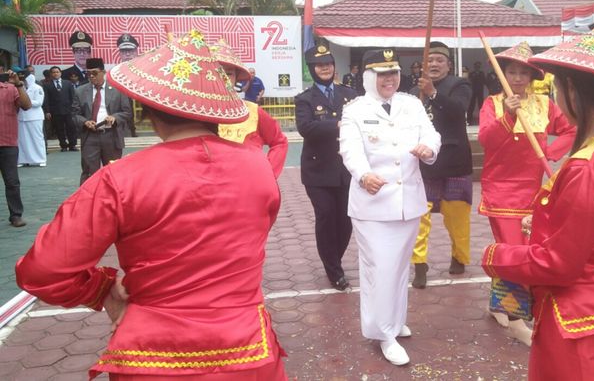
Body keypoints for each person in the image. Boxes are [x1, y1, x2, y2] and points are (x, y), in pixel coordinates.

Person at [16, 30, 287, 380]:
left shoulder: (119, 179)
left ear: (147, 110)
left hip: (153, 356)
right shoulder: (259, 170)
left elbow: (42, 271)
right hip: (248, 351)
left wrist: (103, 290)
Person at [481, 24, 594, 380]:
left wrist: (496, 256)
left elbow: (558, 264)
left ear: (573, 91)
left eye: (556, 86)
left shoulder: (588, 167)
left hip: (583, 326)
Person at [339, 49, 440, 366]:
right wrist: (363, 173)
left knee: (397, 269)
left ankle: (394, 322)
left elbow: (432, 134)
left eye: (393, 73)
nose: (389, 79)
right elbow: (350, 149)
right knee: (379, 270)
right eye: (382, 74)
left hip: (407, 203)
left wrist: (429, 148)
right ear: (369, 77)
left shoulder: (411, 104)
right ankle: (382, 333)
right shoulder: (356, 110)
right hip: (373, 205)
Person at [477, 41, 575, 345]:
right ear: (502, 74)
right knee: (514, 251)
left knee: (523, 250)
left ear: (532, 78)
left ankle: (501, 306)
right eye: (511, 72)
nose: (517, 78)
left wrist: (550, 151)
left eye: (523, 73)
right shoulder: (492, 104)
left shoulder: (546, 105)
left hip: (535, 190)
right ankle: (518, 319)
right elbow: (486, 142)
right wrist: (507, 116)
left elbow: (571, 129)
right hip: (501, 191)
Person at [409, 42, 472, 288]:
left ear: (448, 64)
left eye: (439, 60)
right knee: (419, 218)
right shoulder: (414, 92)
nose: (433, 64)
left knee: (457, 217)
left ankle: (459, 256)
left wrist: (434, 93)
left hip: (454, 163)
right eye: (429, 60)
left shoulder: (460, 85)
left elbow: (458, 112)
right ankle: (420, 265)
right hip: (424, 163)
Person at [295, 45, 358, 290]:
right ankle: (333, 270)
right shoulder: (305, 99)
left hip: (346, 170)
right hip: (318, 172)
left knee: (345, 220)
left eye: (328, 64)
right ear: (312, 69)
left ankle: (335, 259)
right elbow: (306, 128)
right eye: (320, 65)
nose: (325, 68)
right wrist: (339, 124)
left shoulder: (350, 94)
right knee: (326, 217)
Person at [214, 40, 288, 178]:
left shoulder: (253, 112)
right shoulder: (195, 114)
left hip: (248, 189)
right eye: (217, 72)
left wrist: (267, 174)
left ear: (236, 78)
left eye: (229, 73)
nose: (223, 78)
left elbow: (279, 141)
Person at [72, 58, 133, 185]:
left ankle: (113, 202)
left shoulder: (118, 89)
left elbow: (127, 112)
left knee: (113, 172)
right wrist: (85, 122)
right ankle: (87, 202)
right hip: (90, 136)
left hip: (111, 135)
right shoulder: (80, 91)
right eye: (88, 74)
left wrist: (115, 117)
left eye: (94, 73)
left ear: (103, 72)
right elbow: (74, 115)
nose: (91, 76)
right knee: (89, 173)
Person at [1, 69, 31, 227]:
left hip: (7, 142)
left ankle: (16, 215)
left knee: (12, 182)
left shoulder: (11, 88)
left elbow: (27, 105)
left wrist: (18, 83)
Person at [43, 66, 78, 152]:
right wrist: (47, 111)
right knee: (59, 129)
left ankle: (72, 145)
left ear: (60, 73)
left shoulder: (68, 83)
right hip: (55, 111)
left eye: (57, 72)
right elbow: (46, 99)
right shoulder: (47, 85)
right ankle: (63, 146)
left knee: (71, 128)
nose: (56, 74)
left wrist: (74, 109)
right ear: (51, 74)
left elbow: (73, 97)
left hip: (69, 110)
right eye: (54, 72)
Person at [17, 72, 47, 167]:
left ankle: (40, 158)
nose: (23, 81)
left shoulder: (37, 88)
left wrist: (25, 101)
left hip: (34, 117)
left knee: (37, 138)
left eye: (24, 79)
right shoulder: (18, 88)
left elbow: (39, 102)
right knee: (22, 139)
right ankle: (23, 159)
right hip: (22, 117)